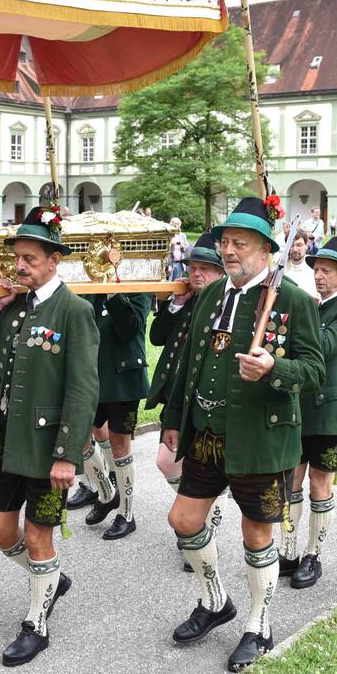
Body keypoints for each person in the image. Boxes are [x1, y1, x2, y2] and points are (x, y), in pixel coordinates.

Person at [161, 197, 324, 672]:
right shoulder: (211, 295)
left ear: (265, 250)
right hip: (207, 435)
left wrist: (274, 368)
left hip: (261, 437)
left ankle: (260, 623)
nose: (228, 251)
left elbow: (315, 370)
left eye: (240, 243)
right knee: (184, 520)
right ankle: (215, 601)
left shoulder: (291, 299)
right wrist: (174, 419)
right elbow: (189, 364)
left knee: (256, 534)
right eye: (225, 242)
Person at [0, 206, 97, 666]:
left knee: (39, 538)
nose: (20, 266)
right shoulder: (11, 307)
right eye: (17, 257)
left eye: (30, 259)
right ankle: (51, 578)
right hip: (7, 445)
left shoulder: (74, 311)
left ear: (53, 261)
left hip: (46, 452)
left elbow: (83, 387)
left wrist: (66, 456)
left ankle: (35, 624)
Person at [279, 237, 337, 590]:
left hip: (330, 410)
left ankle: (313, 554)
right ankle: (288, 550)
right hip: (299, 406)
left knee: (320, 482)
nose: (319, 275)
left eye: (327, 270)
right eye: (316, 269)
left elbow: (323, 346)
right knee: (290, 479)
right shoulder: (312, 308)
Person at [147, 235, 227, 564]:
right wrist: (175, 303)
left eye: (205, 269)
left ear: (220, 273)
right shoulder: (187, 302)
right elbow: (157, 336)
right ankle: (207, 507)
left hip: (206, 399)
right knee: (167, 461)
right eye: (193, 267)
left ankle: (199, 520)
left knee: (188, 463)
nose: (196, 274)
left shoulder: (225, 304)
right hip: (178, 394)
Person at [77, 286, 151, 540]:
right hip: (92, 376)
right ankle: (107, 493)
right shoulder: (87, 289)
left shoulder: (139, 289)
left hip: (124, 377)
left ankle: (126, 514)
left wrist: (114, 293)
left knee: (120, 445)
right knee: (78, 438)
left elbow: (130, 329)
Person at [283, 232, 319, 300]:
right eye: (291, 245)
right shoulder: (280, 269)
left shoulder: (315, 268)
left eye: (299, 245)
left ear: (306, 245)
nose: (295, 249)